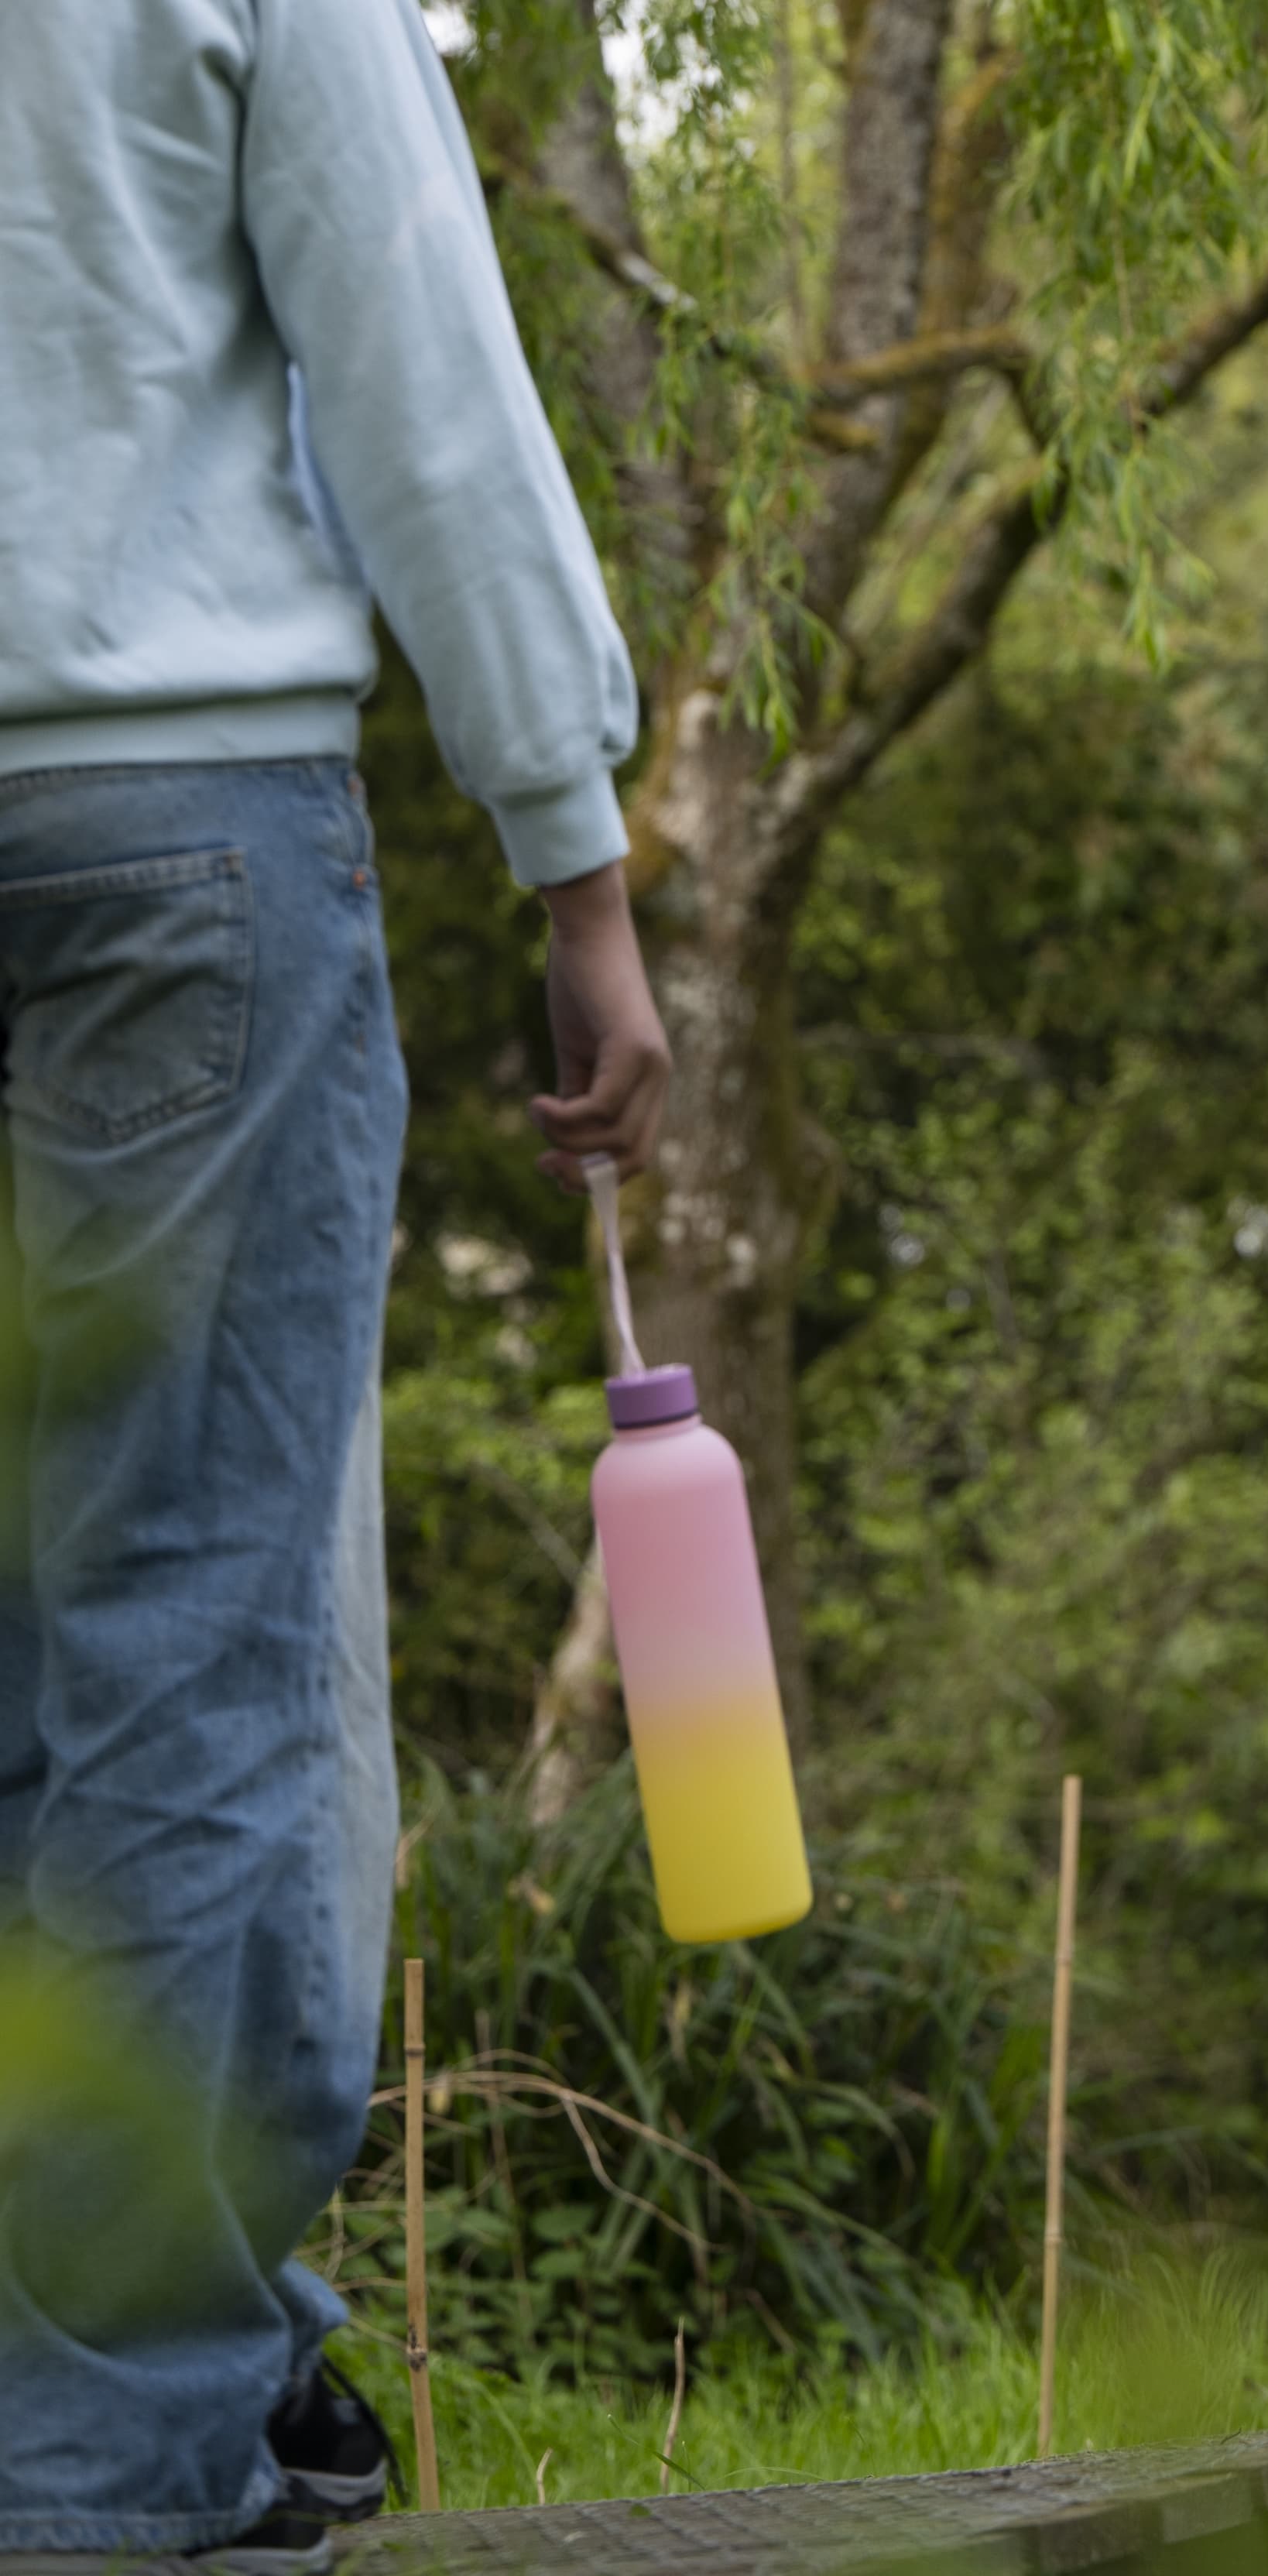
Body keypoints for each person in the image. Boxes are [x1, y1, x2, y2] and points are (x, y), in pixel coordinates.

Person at [0, 4, 668, 2567]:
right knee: (188, 1629)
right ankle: (110, 2446)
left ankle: (224, 2358)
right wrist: (572, 859)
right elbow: (420, 352)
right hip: (181, 821)